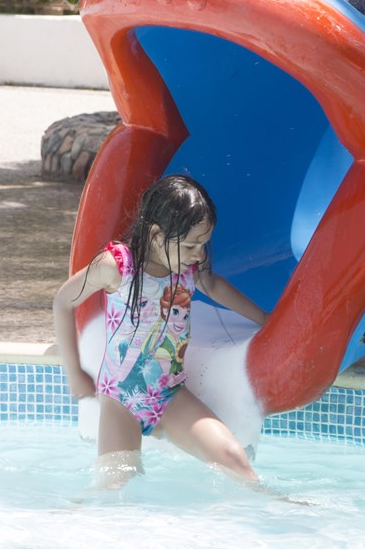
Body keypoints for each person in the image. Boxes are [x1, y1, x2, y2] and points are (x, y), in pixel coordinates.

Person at [54, 174, 268, 487]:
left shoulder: (189, 266)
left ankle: (278, 505)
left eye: (203, 244)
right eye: (191, 245)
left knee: (235, 461)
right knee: (116, 487)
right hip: (121, 400)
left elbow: (212, 284)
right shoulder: (116, 266)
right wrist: (74, 372)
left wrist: (264, 318)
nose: (199, 254)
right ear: (157, 235)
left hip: (169, 394)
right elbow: (63, 301)